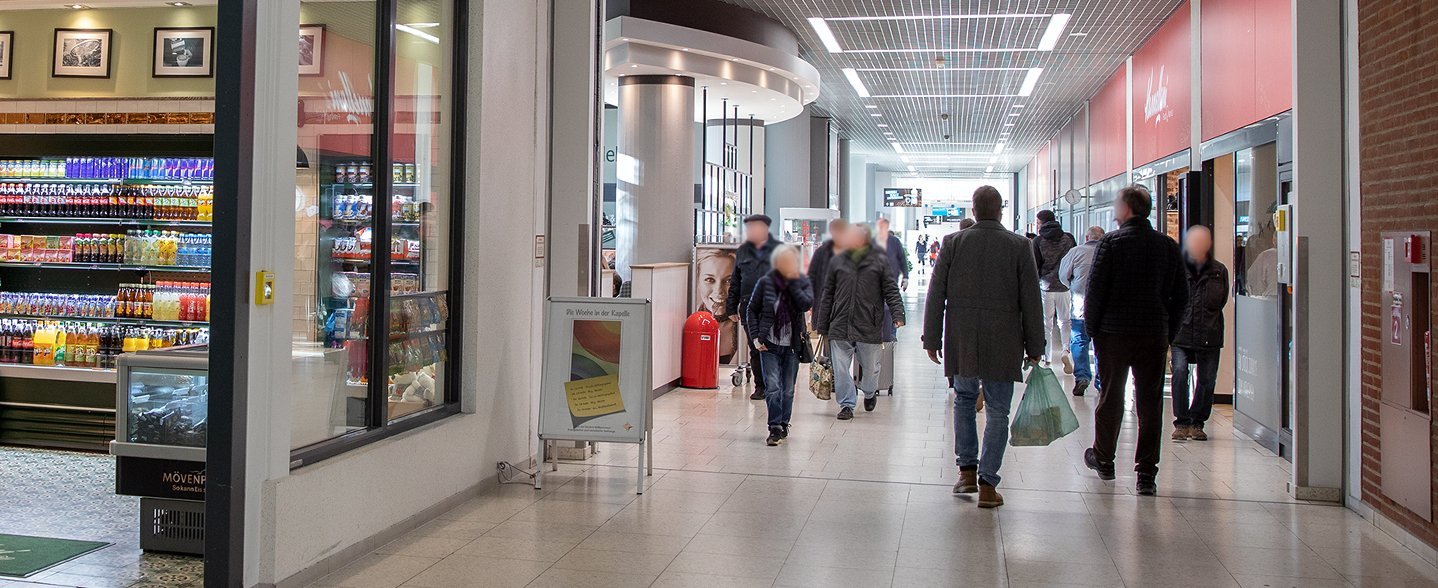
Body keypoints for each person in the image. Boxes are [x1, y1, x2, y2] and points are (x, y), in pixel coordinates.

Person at [923, 186, 1044, 509]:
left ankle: (966, 471)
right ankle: (988, 483)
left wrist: (932, 338)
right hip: (1004, 339)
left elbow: (937, 293)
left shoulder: (953, 243)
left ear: (973, 212)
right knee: (998, 410)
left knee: (963, 400)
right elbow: (1031, 299)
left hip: (962, 337)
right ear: (1001, 210)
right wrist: (1035, 345)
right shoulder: (1020, 246)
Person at [1082, 185, 1188, 497]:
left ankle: (1104, 458)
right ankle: (1146, 474)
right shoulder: (1166, 246)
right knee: (1150, 403)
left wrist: (1092, 330)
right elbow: (1181, 295)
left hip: (1113, 334)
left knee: (1111, 396)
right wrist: (1170, 330)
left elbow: (1096, 290)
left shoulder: (1110, 243)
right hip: (1153, 333)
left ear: (1126, 209)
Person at [814, 223, 905, 420]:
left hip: (868, 323)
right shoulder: (837, 262)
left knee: (871, 368)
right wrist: (822, 325)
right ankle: (847, 403)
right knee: (840, 367)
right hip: (840, 323)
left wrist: (898, 314)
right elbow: (827, 294)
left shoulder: (879, 262)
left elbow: (891, 290)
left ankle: (870, 392)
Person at [746, 244, 814, 446]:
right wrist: (757, 338)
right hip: (769, 344)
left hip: (792, 345)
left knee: (788, 390)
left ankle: (784, 422)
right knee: (773, 387)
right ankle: (774, 426)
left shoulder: (801, 282)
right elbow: (751, 310)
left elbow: (805, 305)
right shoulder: (765, 282)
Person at [1171, 226, 1230, 441]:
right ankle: (1181, 421)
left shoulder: (1219, 271)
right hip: (1181, 332)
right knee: (1179, 374)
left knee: (1206, 379)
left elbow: (1221, 300)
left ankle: (1197, 422)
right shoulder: (1178, 269)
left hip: (1210, 332)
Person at [727, 214, 782, 400]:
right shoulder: (742, 251)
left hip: (774, 308)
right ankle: (761, 386)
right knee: (755, 347)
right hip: (749, 307)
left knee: (773, 346)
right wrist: (731, 307)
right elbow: (735, 280)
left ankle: (775, 383)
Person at [1058, 226, 1105, 396]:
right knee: (1101, 345)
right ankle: (1101, 382)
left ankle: (1082, 377)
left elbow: (1063, 275)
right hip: (1103, 310)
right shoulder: (1108, 252)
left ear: (1087, 237)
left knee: (1079, 341)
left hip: (1080, 305)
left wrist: (1073, 286)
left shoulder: (1075, 252)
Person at [1032, 210, 1077, 372]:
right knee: (1065, 322)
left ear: (1041, 222)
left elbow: (1035, 266)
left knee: (1047, 323)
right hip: (1065, 286)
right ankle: (1066, 350)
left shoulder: (1037, 241)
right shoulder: (1068, 238)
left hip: (1046, 287)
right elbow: (1074, 259)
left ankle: (1047, 356)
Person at [694, 247, 738, 362]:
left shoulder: (748, 328)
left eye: (729, 281)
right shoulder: (685, 324)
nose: (719, 291)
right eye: (709, 279)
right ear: (697, 281)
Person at [807, 218, 850, 297]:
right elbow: (812, 276)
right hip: (823, 299)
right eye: (836, 231)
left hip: (843, 301)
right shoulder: (821, 252)